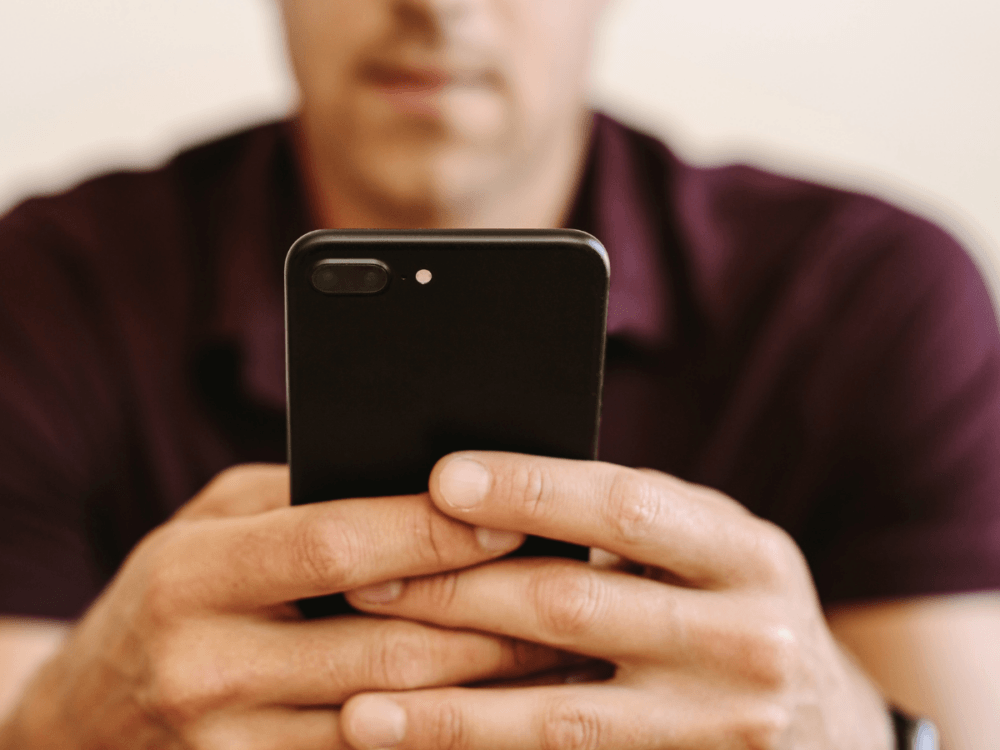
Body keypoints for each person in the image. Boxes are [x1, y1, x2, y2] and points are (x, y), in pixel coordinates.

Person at [1, 0, 999, 748]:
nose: (437, 8)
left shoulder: (871, 293)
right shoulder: (48, 287)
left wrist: (851, 731)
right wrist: (60, 726)